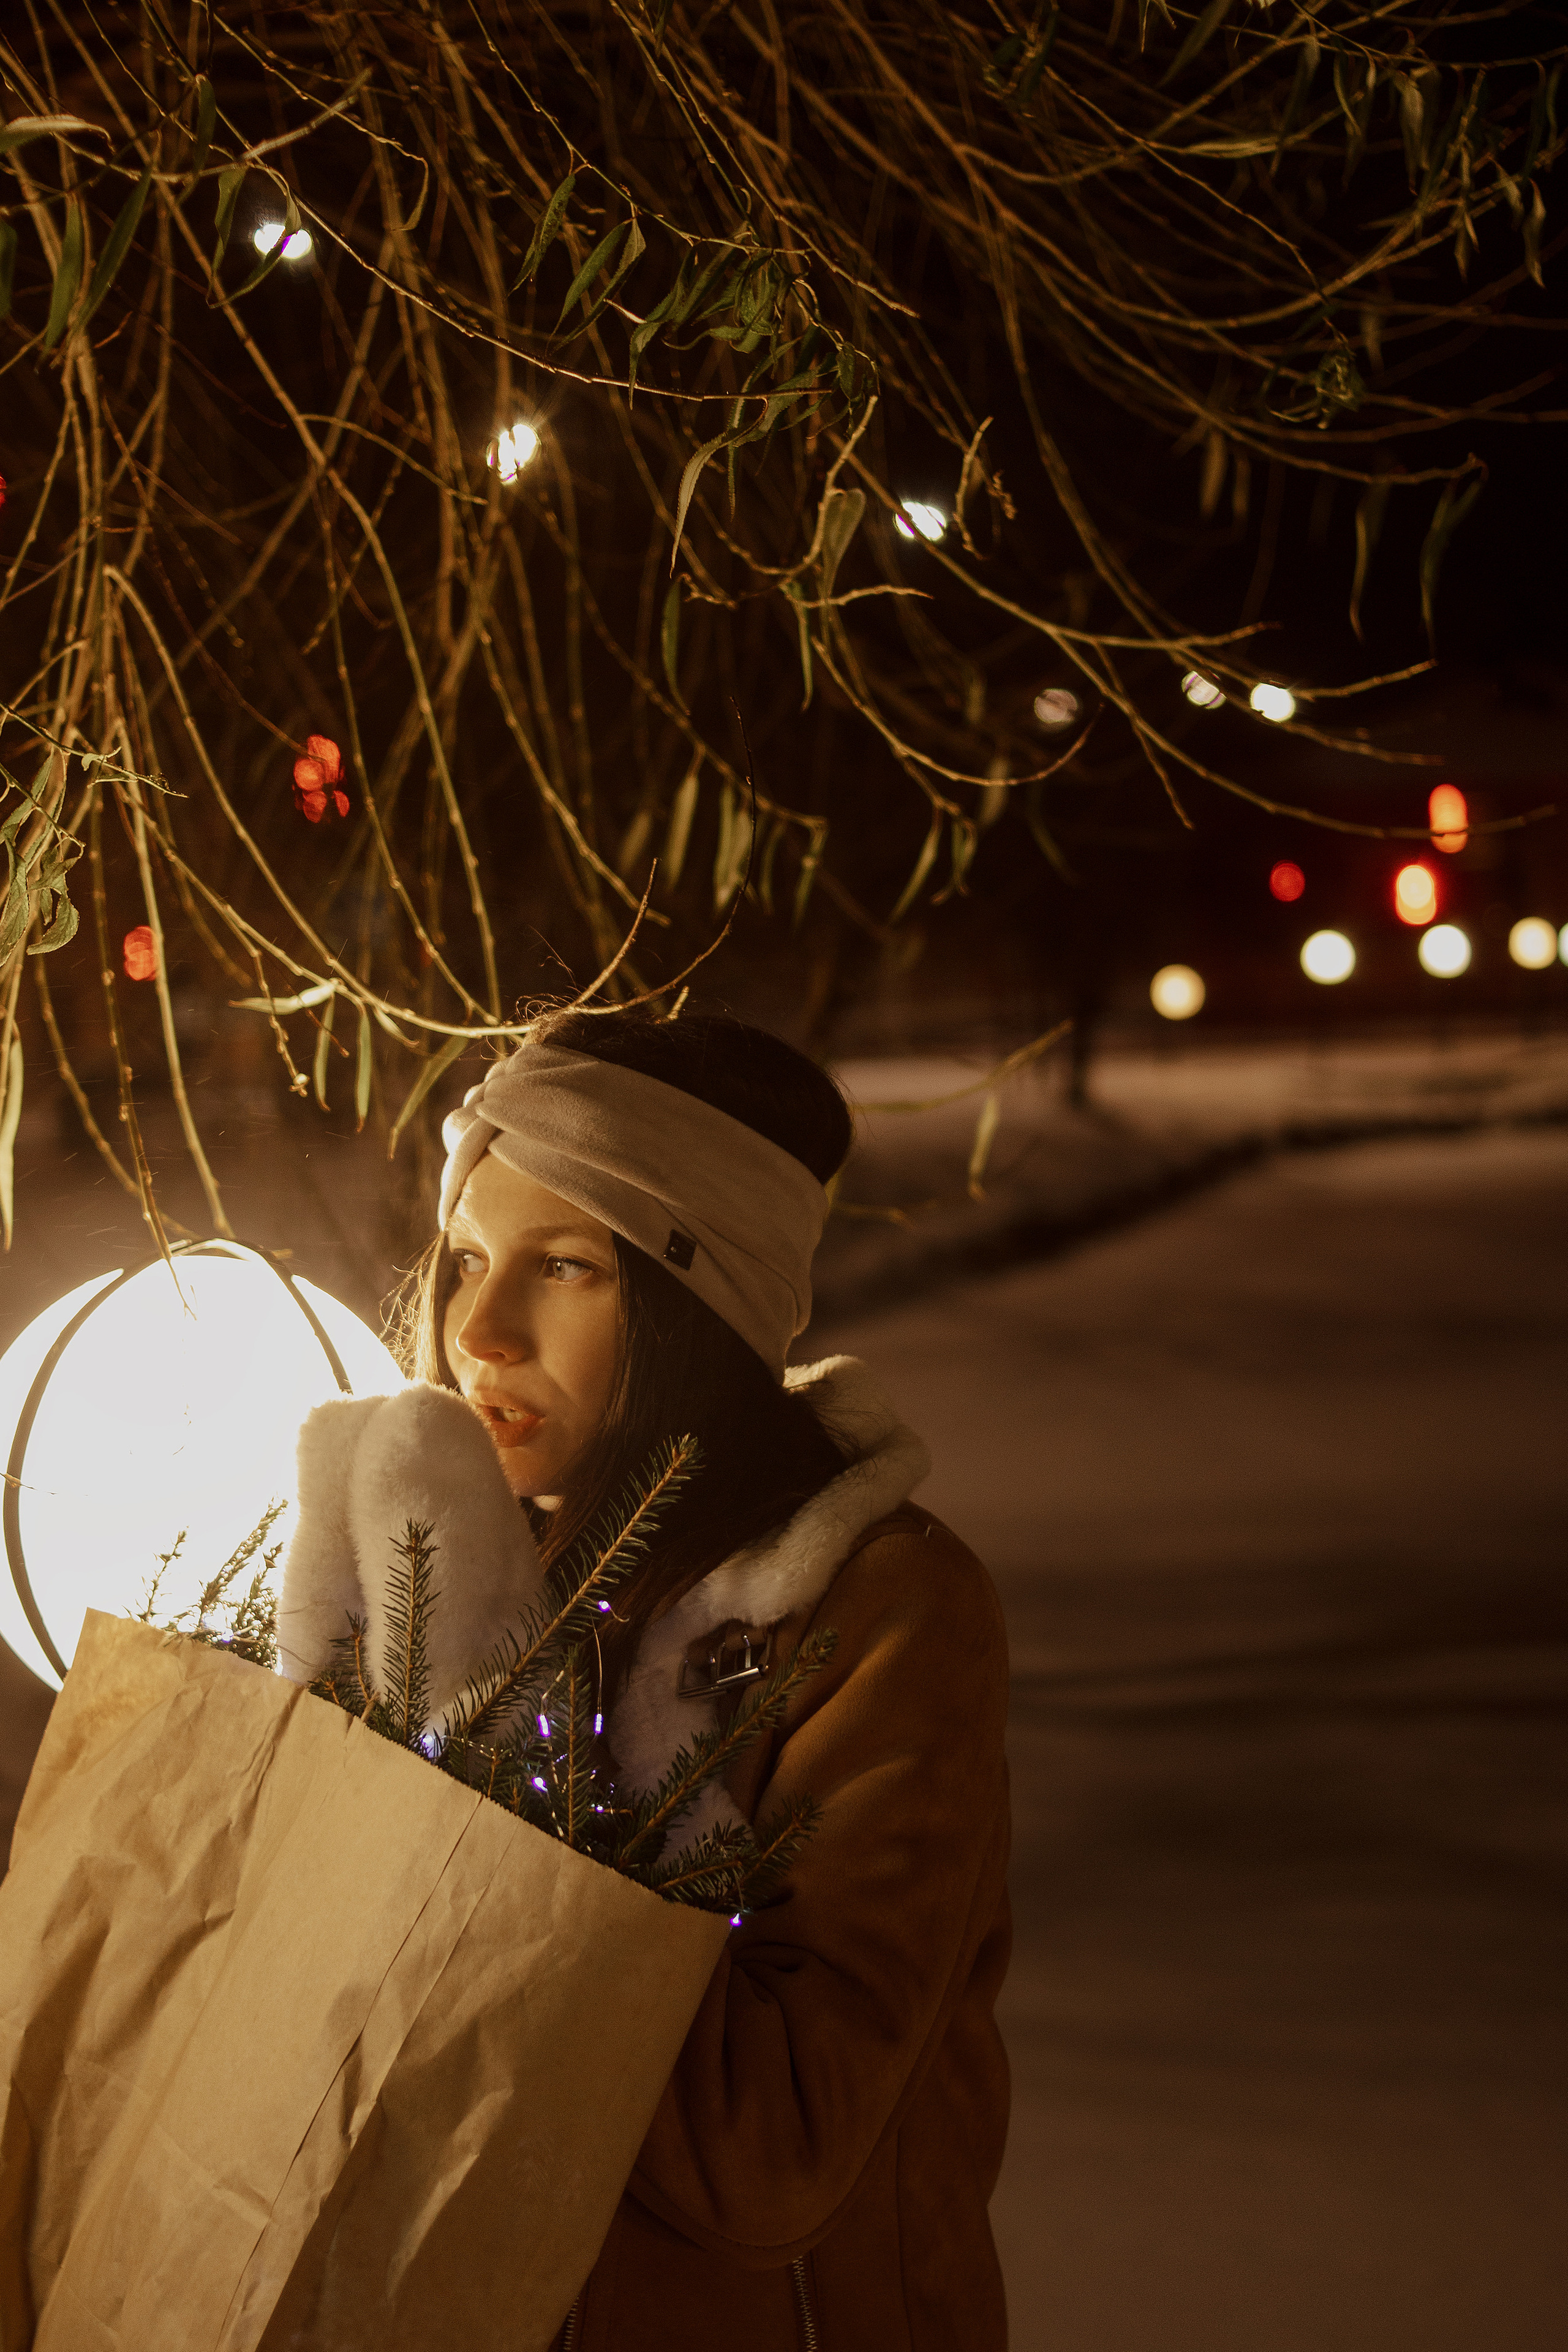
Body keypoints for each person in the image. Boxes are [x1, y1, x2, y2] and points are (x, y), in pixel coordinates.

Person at [398, 1003, 1012, 2350]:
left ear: (700, 1304)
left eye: (564, 1267)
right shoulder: (470, 1591)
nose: (479, 1329)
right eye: (463, 1260)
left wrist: (472, 1814)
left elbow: (774, 2151)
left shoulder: (882, 1612)